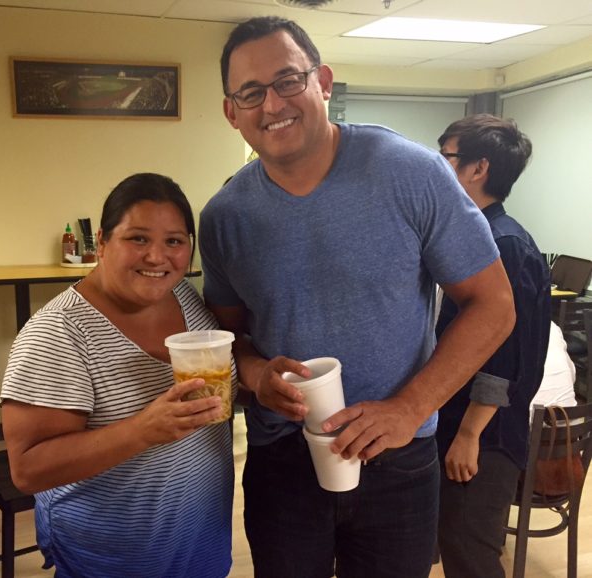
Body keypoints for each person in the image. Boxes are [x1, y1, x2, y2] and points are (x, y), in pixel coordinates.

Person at [199, 16, 516, 578]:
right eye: (250, 92)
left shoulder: (409, 172)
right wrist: (254, 376)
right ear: (231, 112)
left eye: (288, 80)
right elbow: (230, 342)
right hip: (284, 461)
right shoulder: (225, 217)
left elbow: (494, 305)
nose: (272, 104)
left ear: (322, 80)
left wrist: (410, 408)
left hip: (398, 460)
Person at [0, 173, 237, 578]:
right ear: (103, 244)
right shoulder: (57, 332)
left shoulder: (184, 298)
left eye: (174, 241)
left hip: (200, 544)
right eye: (138, 238)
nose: (157, 257)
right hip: (112, 557)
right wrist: (142, 429)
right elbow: (28, 469)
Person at [435, 114, 551, 578]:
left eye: (444, 156)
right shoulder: (475, 234)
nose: (435, 167)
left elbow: (505, 353)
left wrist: (469, 434)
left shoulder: (503, 244)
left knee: (472, 553)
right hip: (460, 420)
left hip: (486, 434)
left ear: (477, 169)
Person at [530, 320, 577, 420]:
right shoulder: (552, 326)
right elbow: (572, 374)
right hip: (570, 422)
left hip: (530, 427)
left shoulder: (510, 330)